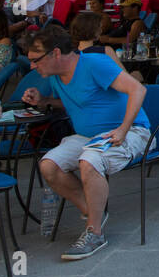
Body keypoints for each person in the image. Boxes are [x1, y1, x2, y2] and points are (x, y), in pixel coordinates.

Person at [21, 24, 150, 261]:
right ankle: (93, 212)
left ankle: (95, 232)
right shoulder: (55, 76)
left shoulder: (93, 64)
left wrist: (122, 130)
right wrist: (44, 100)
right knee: (48, 165)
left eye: (36, 59)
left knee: (88, 161)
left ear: (56, 53)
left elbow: (138, 90)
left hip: (130, 131)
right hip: (87, 137)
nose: (32, 65)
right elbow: (81, 101)